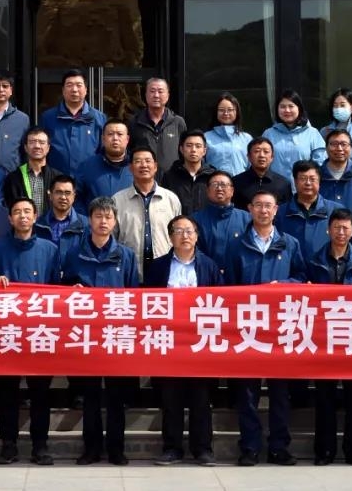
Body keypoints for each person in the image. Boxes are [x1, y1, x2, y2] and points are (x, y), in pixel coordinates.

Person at [226, 189, 306, 467]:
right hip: (247, 327)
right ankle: (249, 447)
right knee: (247, 393)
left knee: (280, 392)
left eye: (268, 206)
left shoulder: (290, 244)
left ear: (276, 210)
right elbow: (229, 287)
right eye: (258, 205)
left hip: (281, 327)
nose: (263, 210)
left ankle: (279, 447)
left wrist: (283, 286)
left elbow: (302, 277)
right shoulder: (237, 245)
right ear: (249, 209)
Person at [60, 196, 140, 466]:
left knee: (116, 397)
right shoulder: (74, 254)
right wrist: (73, 291)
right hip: (86, 335)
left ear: (115, 222)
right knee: (90, 395)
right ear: (90, 220)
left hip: (116, 334)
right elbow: (63, 292)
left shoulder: (126, 256)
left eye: (108, 217)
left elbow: (133, 296)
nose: (103, 221)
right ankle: (91, 448)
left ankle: (116, 449)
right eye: (98, 216)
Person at [0, 198, 60, 466]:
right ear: (10, 218)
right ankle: (8, 444)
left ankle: (40, 445)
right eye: (17, 212)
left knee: (41, 392)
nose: (22, 216)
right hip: (8, 330)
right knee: (7, 392)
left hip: (40, 330)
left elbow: (58, 288)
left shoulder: (49, 249)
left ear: (36, 216)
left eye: (27, 211)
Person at [145, 215, 222, 467]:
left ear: (197, 236)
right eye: (179, 231)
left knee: (201, 398)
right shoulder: (158, 267)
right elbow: (146, 302)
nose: (185, 236)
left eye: (189, 231)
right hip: (168, 341)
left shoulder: (209, 266)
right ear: (170, 237)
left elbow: (222, 303)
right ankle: (172, 448)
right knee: (171, 398)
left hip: (200, 341)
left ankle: (203, 449)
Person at [305, 209, 352, 466]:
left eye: (346, 228)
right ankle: (324, 451)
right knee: (325, 397)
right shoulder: (315, 260)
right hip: (324, 337)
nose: (341, 232)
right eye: (336, 228)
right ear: (328, 230)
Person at [112, 146, 182, 279]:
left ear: (155, 167)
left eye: (148, 161)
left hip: (165, 272)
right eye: (138, 161)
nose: (143, 165)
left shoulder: (170, 199)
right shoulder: (117, 200)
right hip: (129, 271)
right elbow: (112, 237)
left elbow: (178, 235)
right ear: (130, 168)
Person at [40, 69, 107, 176]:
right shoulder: (48, 117)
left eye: (79, 85)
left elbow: (104, 152)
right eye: (69, 85)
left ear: (86, 90)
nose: (74, 89)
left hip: (89, 180)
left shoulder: (99, 118)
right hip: (56, 180)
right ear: (63, 90)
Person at [276, 160, 345, 258]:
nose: (308, 183)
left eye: (312, 179)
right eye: (303, 178)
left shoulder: (336, 210)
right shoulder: (280, 212)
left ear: (319, 182)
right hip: (291, 266)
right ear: (295, 182)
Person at [319, 129, 352, 247]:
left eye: (344, 144)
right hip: (323, 243)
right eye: (334, 144)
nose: (339, 148)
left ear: (351, 148)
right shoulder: (317, 176)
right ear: (326, 148)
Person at [191, 171, 251, 274]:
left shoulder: (247, 219)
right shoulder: (194, 220)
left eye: (223, 185)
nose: (219, 188)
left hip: (239, 277)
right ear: (207, 191)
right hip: (206, 275)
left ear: (232, 191)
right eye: (215, 184)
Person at [261, 89, 326, 180]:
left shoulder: (312, 133)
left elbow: (320, 163)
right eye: (282, 107)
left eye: (291, 106)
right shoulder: (269, 134)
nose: (287, 110)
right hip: (275, 186)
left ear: (299, 108)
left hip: (303, 186)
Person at [128, 77, 187, 172]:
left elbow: (184, 152)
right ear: (146, 95)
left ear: (168, 95)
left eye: (160, 91)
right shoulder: (134, 122)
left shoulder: (178, 122)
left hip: (172, 178)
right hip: (143, 177)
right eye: (152, 91)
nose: (156, 95)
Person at [2, 126, 61, 217]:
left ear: (48, 148)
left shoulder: (58, 178)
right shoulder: (13, 179)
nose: (37, 146)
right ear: (25, 147)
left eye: (42, 142)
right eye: (32, 142)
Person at [75, 119, 133, 211]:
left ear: (127, 139)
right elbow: (76, 198)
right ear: (103, 139)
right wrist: (86, 219)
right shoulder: (87, 166)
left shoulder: (136, 167)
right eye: (110, 134)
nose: (115, 138)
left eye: (120, 134)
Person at [161, 129, 216, 216]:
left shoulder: (213, 176)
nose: (193, 150)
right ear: (181, 149)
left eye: (198, 146)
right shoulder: (170, 176)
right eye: (189, 146)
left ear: (204, 151)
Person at [231, 136, 292, 210]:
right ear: (249, 156)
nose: (261, 155)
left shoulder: (283, 184)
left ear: (272, 157)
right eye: (257, 151)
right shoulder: (236, 182)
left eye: (266, 152)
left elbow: (287, 211)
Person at [203, 93, 253, 176]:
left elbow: (252, 166)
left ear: (237, 112)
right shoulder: (206, 137)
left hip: (241, 182)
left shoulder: (247, 138)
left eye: (230, 110)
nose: (226, 113)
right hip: (214, 182)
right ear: (216, 112)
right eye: (221, 110)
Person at [34, 174, 86, 247]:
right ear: (50, 195)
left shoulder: (86, 225)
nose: (63, 197)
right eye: (58, 192)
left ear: (74, 196)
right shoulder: (38, 224)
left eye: (67, 193)